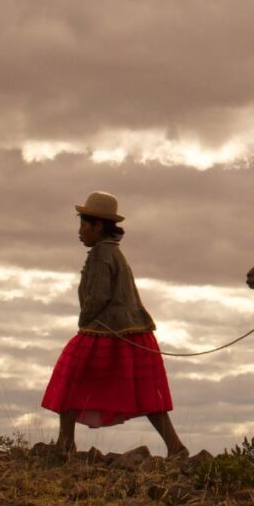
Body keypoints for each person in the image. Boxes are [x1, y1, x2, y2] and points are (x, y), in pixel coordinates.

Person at [41, 191, 188, 457]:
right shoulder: (112, 252)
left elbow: (97, 296)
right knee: (146, 392)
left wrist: (84, 321)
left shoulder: (101, 255)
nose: (80, 232)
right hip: (132, 331)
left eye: (84, 225)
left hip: (104, 331)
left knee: (70, 377)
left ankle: (65, 442)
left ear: (98, 226)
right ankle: (175, 447)